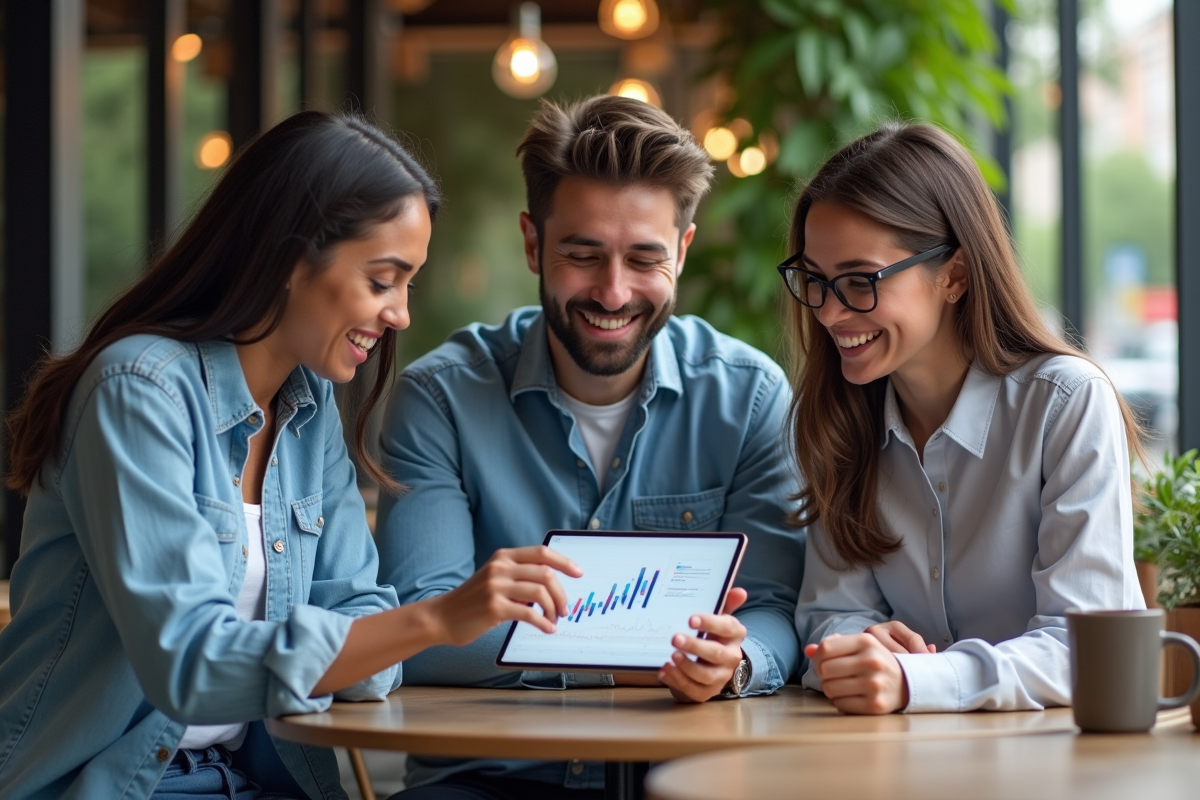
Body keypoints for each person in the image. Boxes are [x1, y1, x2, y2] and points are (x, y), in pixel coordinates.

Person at [0, 111, 579, 800]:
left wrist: (384, 639)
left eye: (409, 283)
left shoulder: (308, 413)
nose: (400, 314)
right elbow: (189, 664)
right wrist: (431, 620)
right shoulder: (138, 392)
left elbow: (366, 637)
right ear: (288, 257)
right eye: (382, 279)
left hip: (260, 779)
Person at [375, 95, 805, 798]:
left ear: (684, 250)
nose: (613, 291)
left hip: (685, 782)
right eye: (582, 255)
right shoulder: (441, 399)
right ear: (532, 243)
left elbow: (776, 611)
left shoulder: (749, 397)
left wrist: (736, 664)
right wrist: (634, 659)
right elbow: (419, 627)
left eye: (644, 259)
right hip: (483, 784)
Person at [786, 121, 1146, 715]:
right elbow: (829, 612)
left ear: (953, 275)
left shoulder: (1065, 404)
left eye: (858, 281)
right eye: (816, 282)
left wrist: (914, 680)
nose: (829, 312)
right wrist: (858, 646)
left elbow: (1085, 646)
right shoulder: (835, 418)